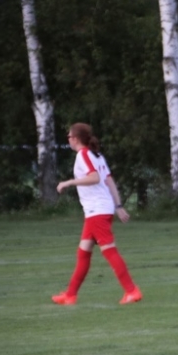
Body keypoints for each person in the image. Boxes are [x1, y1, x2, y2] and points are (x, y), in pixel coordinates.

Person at [52, 123, 142, 306]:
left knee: (109, 251)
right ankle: (70, 295)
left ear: (75, 139)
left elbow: (95, 178)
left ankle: (132, 291)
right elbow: (109, 181)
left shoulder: (84, 154)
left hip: (97, 210)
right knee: (83, 252)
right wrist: (118, 206)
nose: (68, 140)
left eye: (69, 137)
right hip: (99, 209)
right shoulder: (97, 155)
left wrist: (68, 183)